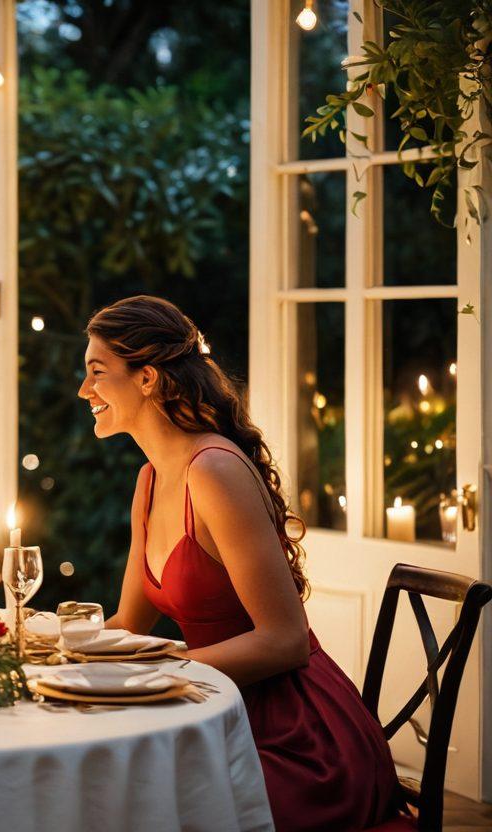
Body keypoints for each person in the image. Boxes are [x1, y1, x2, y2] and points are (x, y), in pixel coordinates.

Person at [82, 295, 401, 831]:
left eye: (97, 372)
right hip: (214, 713)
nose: (83, 390)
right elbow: (127, 626)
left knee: (145, 810)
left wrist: (166, 672)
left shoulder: (213, 470)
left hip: (293, 737)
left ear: (147, 379)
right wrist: (40, 653)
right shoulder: (150, 480)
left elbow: (286, 640)